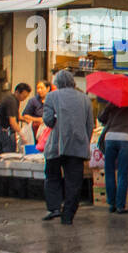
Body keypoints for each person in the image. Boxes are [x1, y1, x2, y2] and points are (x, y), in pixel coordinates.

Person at [40, 71, 95, 224]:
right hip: (77, 146)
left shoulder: (51, 97)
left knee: (52, 177)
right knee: (74, 182)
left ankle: (54, 207)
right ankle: (68, 215)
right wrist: (84, 140)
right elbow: (90, 125)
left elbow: (48, 121)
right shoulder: (85, 99)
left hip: (56, 145)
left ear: (56, 83)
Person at [97, 98, 128, 215]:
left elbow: (101, 118)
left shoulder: (114, 101)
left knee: (109, 172)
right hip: (127, 138)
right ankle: (120, 205)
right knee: (122, 173)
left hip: (110, 137)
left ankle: (111, 204)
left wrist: (109, 106)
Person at [0, 80, 22, 154]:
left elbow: (18, 116)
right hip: (6, 131)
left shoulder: (12, 99)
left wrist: (28, 119)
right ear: (17, 92)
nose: (24, 98)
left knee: (0, 154)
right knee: (8, 155)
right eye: (24, 95)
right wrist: (22, 135)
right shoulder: (11, 101)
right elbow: (12, 121)